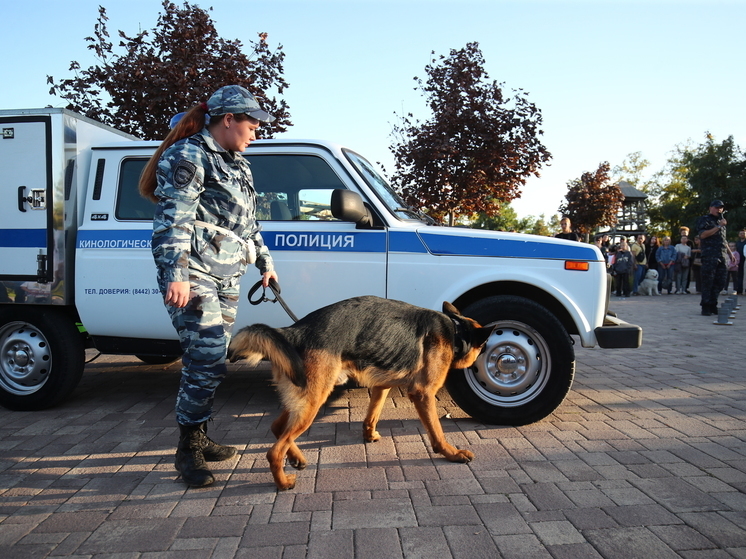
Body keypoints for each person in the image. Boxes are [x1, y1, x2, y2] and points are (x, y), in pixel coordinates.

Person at [139, 85, 278, 487]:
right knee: (205, 357)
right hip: (195, 272)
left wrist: (265, 264)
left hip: (228, 274)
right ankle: (188, 450)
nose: (255, 131)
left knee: (214, 361)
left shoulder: (239, 164)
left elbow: (249, 224)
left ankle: (200, 434)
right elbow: (172, 221)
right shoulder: (188, 155)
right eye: (251, 123)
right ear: (228, 119)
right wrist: (176, 276)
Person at [696, 200, 729, 316]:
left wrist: (729, 253)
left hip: (721, 254)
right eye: (716, 207)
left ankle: (713, 303)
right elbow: (703, 235)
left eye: (721, 208)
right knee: (708, 281)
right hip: (710, 255)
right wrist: (719, 226)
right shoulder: (705, 220)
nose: (719, 210)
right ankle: (705, 306)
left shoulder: (721, 222)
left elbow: (723, 240)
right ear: (710, 208)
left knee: (720, 281)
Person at [736, 227, 746, 295]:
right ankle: (739, 290)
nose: (742, 234)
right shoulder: (737, 243)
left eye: (743, 233)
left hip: (745, 260)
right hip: (738, 260)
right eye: (741, 233)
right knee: (739, 275)